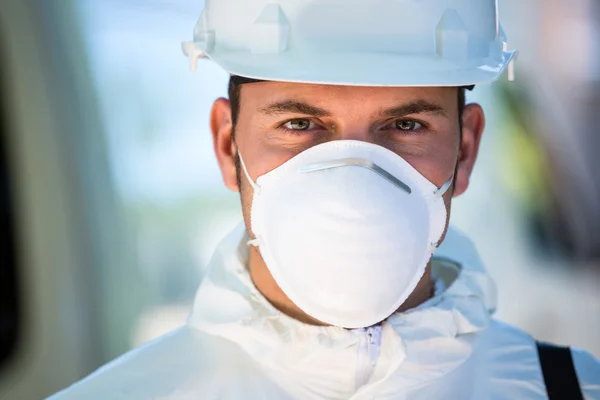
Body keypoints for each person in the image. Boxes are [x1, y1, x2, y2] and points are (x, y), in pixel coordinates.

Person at [49, 1, 600, 399]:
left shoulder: (571, 389)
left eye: (406, 124)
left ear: (466, 148)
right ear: (225, 144)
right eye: (299, 123)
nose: (352, 179)